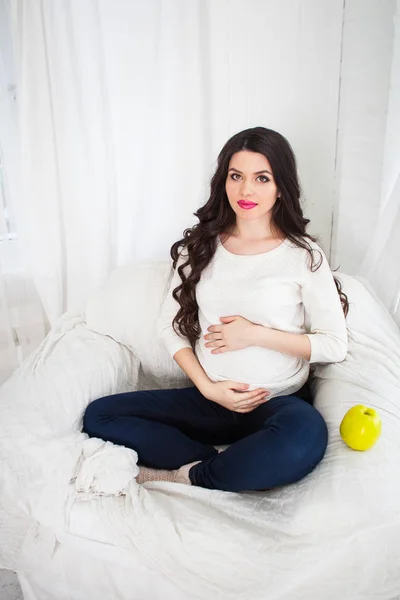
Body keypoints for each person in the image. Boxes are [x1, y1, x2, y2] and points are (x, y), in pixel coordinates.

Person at [83, 126, 349, 493]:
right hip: (211, 400)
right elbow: (169, 326)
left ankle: (190, 475)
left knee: (303, 440)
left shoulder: (302, 256)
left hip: (276, 401)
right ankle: (215, 461)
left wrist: (255, 334)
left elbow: (334, 345)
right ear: (223, 180)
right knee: (101, 414)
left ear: (281, 186)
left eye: (262, 178)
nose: (246, 190)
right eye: (236, 176)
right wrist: (207, 388)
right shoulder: (200, 247)